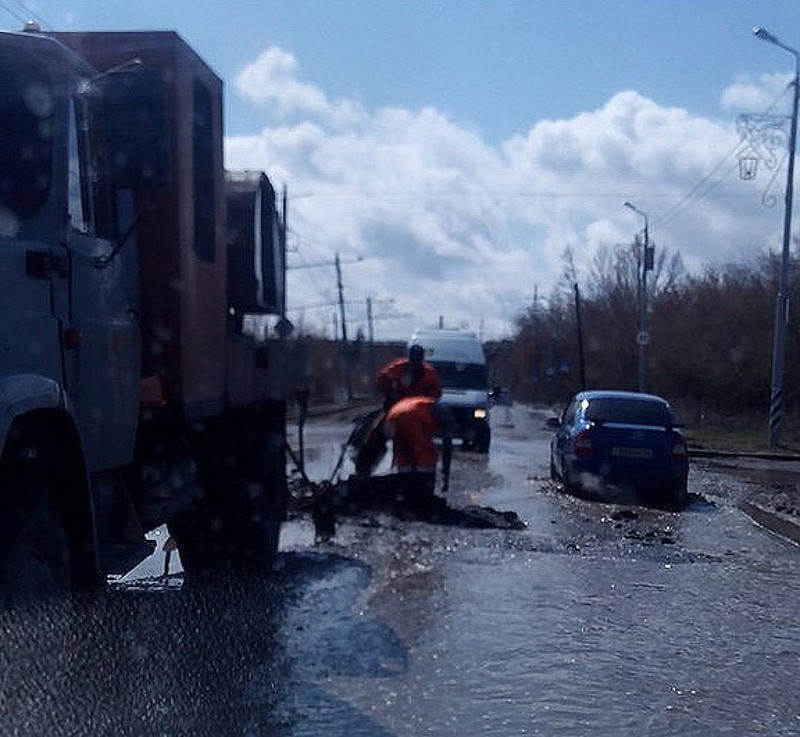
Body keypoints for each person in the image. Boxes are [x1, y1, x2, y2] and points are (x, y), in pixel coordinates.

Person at [381, 395, 455, 516]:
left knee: (405, 458)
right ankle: (422, 499)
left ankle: (406, 495)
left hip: (393, 414)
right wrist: (445, 476)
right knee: (425, 458)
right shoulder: (443, 417)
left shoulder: (429, 406)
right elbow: (447, 448)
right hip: (410, 416)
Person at [376, 344, 442, 410]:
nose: (415, 364)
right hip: (399, 403)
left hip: (418, 406)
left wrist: (425, 400)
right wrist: (390, 393)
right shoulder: (398, 367)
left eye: (417, 360)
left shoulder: (429, 373)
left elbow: (436, 393)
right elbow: (382, 378)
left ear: (421, 359)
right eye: (413, 360)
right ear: (409, 358)